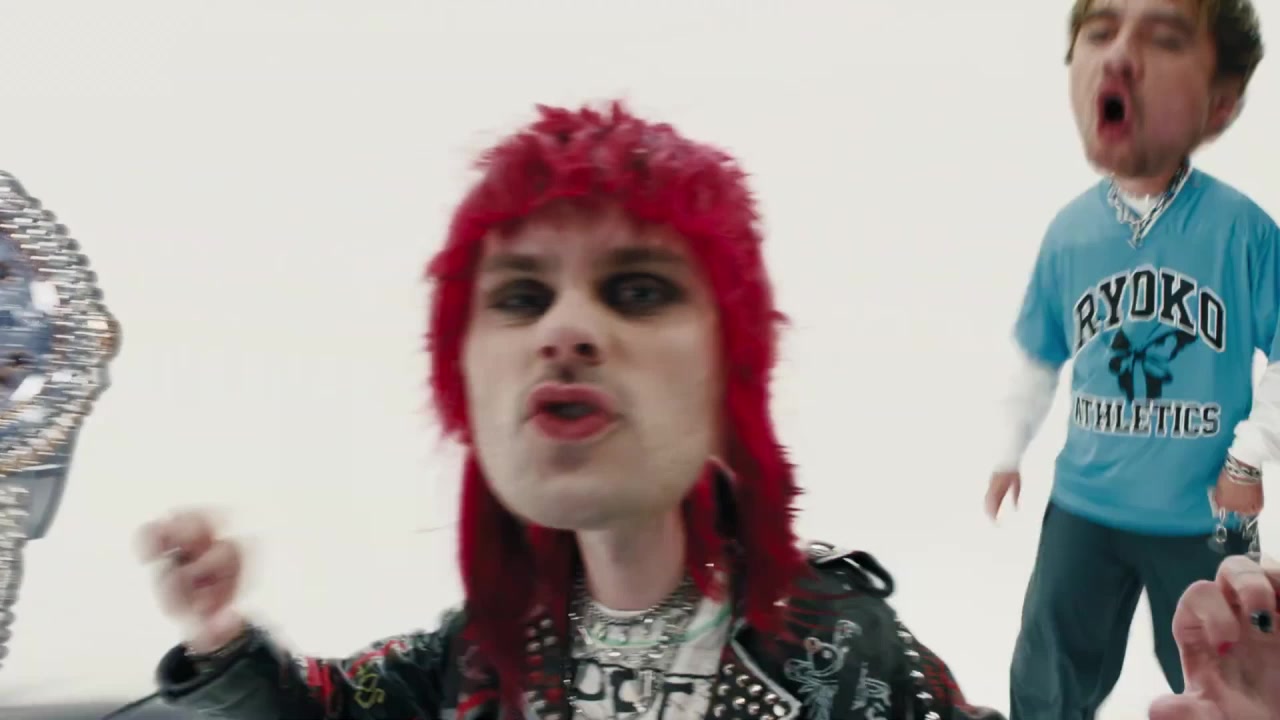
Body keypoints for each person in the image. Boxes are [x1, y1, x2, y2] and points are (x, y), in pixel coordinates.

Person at [135, 103, 1279, 720]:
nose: (563, 331)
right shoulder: (483, 648)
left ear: (727, 373)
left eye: (636, 290)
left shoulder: (842, 654)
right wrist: (219, 635)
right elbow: (318, 709)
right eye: (519, 296)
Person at [982, 0, 1276, 717]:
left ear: (1221, 103)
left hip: (1201, 513)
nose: (1119, 56)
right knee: (1048, 675)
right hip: (1086, 506)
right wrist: (1008, 449)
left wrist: (1249, 457)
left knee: (1229, 677)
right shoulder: (1071, 232)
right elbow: (1038, 354)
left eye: (1165, 40)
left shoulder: (1242, 231)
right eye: (1099, 32)